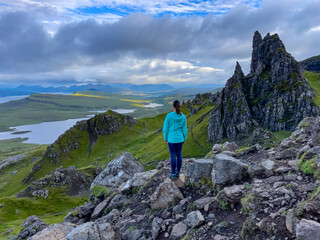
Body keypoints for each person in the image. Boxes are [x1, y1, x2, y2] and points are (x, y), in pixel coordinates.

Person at [163, 100, 187, 180]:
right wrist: (184, 138)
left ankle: (173, 173)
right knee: (179, 154)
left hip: (172, 139)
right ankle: (178, 172)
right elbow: (184, 129)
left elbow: (165, 129)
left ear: (173, 106)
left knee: (173, 155)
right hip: (180, 138)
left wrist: (165, 138)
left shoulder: (169, 116)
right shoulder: (182, 116)